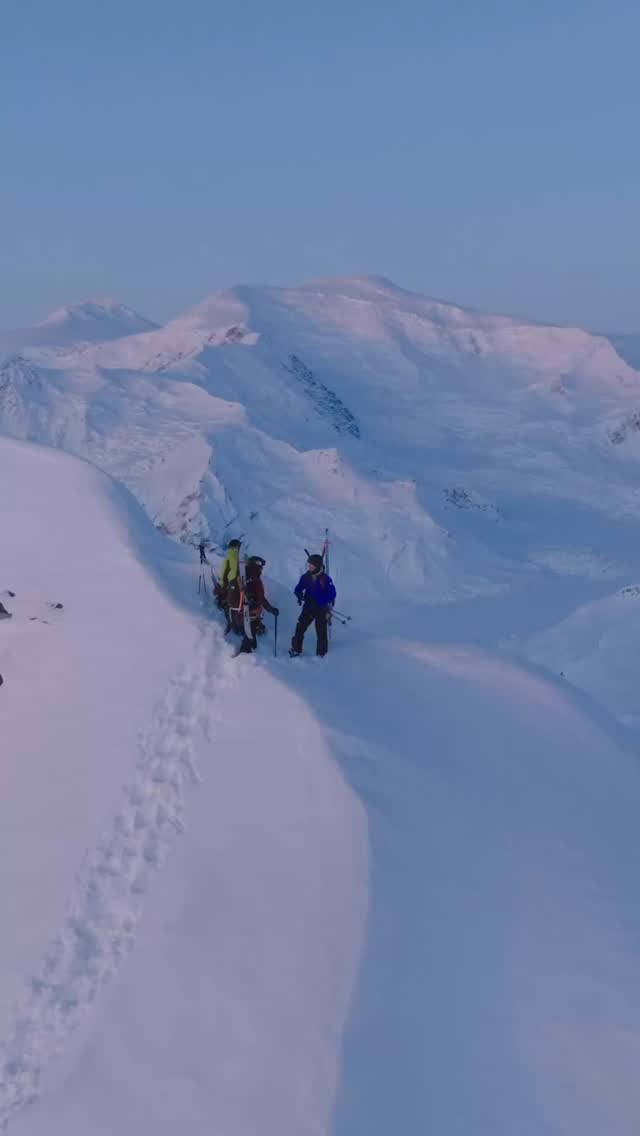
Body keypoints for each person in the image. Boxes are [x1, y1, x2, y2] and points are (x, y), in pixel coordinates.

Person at [290, 554, 336, 658]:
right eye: (309, 564)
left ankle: (321, 653)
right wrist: (299, 594)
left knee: (321, 631)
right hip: (308, 607)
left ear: (318, 566)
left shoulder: (325, 579)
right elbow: (298, 588)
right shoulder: (306, 577)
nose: (309, 566)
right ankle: (296, 650)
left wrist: (320, 601)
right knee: (300, 627)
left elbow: (332, 594)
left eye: (311, 565)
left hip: (320, 609)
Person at [237, 556, 279, 653]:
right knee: (249, 637)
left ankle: (248, 655)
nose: (262, 569)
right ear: (257, 566)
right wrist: (271, 609)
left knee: (250, 635)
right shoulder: (255, 580)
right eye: (261, 567)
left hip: (244, 611)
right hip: (251, 612)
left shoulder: (245, 575)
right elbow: (261, 598)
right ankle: (244, 658)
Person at [219, 539, 242, 633]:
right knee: (238, 604)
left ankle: (232, 624)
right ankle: (239, 624)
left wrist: (222, 585)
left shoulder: (228, 556)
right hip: (241, 583)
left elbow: (224, 571)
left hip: (232, 582)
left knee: (231, 603)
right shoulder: (242, 556)